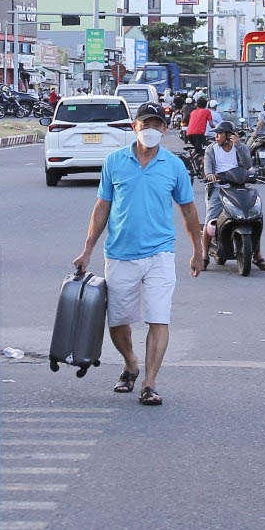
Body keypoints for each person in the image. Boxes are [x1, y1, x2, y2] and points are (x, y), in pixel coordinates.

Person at [72, 103, 204, 407]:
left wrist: (198, 250)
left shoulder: (173, 166)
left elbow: (188, 209)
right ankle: (131, 364)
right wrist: (87, 249)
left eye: (157, 125)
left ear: (165, 130)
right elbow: (102, 207)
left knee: (159, 317)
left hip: (160, 254)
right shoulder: (115, 162)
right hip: (119, 254)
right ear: (134, 127)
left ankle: (149, 383)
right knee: (118, 322)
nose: (151, 130)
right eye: (145, 125)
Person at [202, 121, 265, 268]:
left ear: (229, 135)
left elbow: (247, 164)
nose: (216, 137)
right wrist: (211, 175)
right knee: (210, 221)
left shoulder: (240, 147)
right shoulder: (211, 149)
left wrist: (238, 145)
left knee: (255, 218)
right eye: (216, 133)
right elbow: (208, 167)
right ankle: (204, 255)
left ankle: (257, 255)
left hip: (238, 188)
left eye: (219, 133)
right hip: (218, 188)